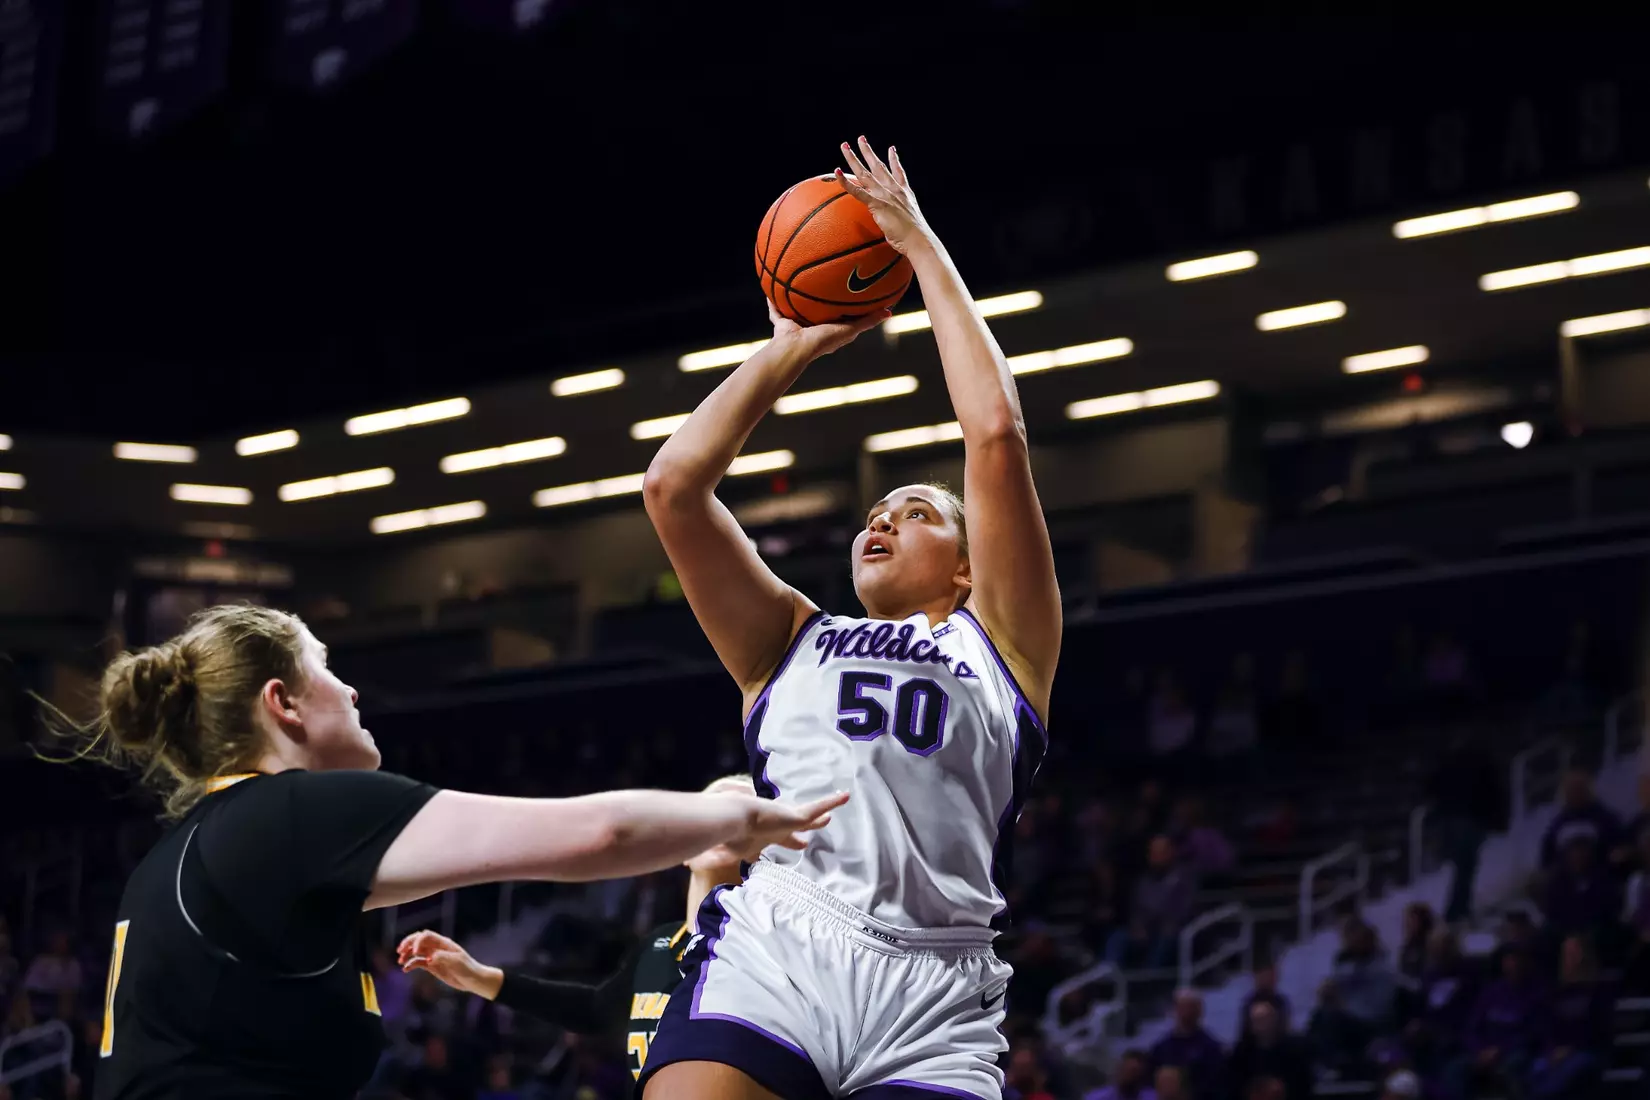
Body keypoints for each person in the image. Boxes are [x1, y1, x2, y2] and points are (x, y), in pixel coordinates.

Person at [639, 137, 1061, 1100]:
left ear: (966, 567)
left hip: (937, 989)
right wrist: (788, 346)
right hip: (783, 943)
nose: (884, 518)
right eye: (878, 511)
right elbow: (673, 487)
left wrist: (918, 247)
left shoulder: (1002, 642)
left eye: (920, 513)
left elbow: (993, 432)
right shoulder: (789, 639)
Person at [80, 605, 845, 1100]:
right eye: (329, 670)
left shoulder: (182, 855)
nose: (351, 693)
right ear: (282, 704)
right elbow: (594, 833)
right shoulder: (297, 812)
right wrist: (737, 818)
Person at [395, 775, 756, 1081]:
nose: (727, 823)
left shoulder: (769, 950)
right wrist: (476, 976)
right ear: (682, 848)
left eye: (746, 817)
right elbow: (595, 1009)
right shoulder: (659, 945)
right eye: (714, 813)